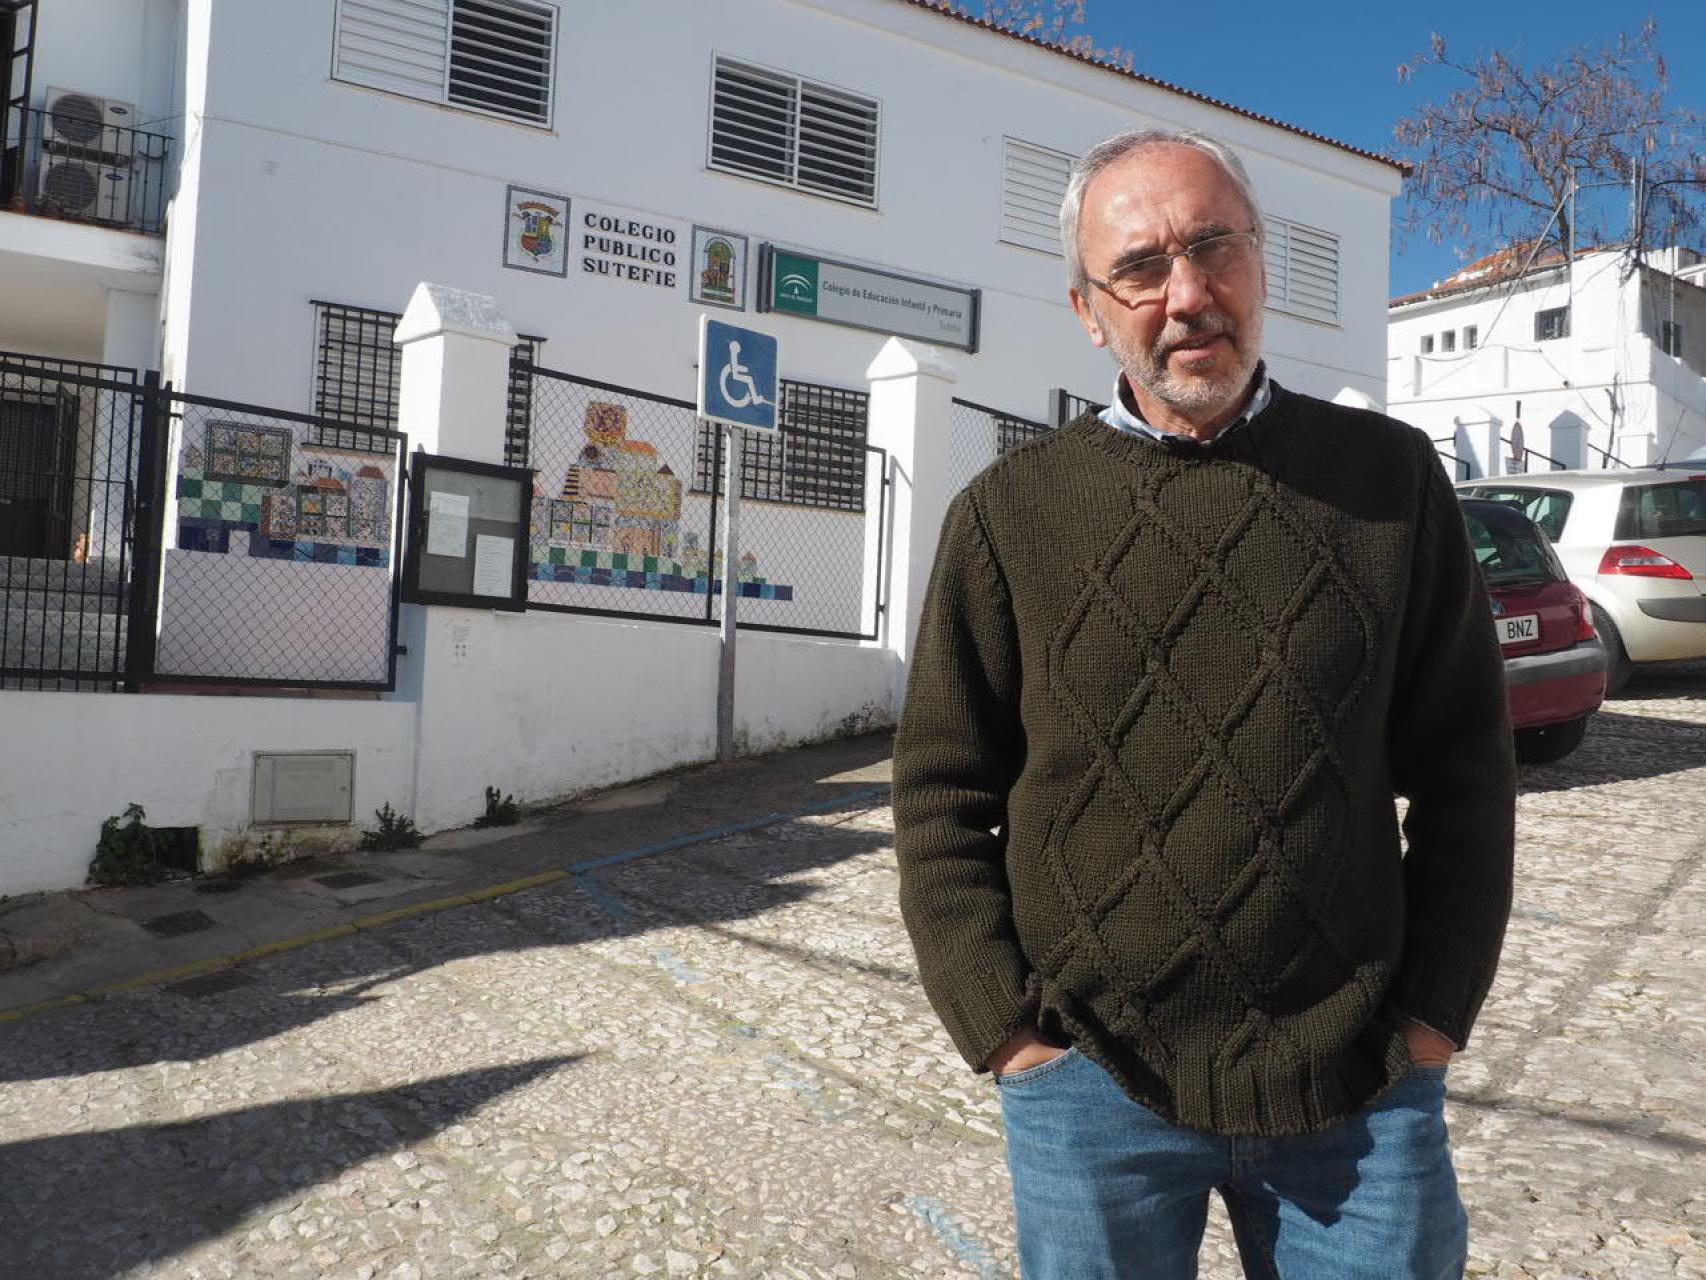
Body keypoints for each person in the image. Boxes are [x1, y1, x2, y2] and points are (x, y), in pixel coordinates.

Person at [892, 126, 1515, 1278]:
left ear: (1259, 266)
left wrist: (1431, 1013)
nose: (1185, 294)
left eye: (1213, 247)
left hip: (1358, 1090)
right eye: (1138, 268)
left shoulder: (1389, 483)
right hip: (1091, 1089)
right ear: (1087, 309)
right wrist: (1005, 1031)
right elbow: (940, 792)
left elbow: (1466, 771)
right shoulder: (1006, 517)